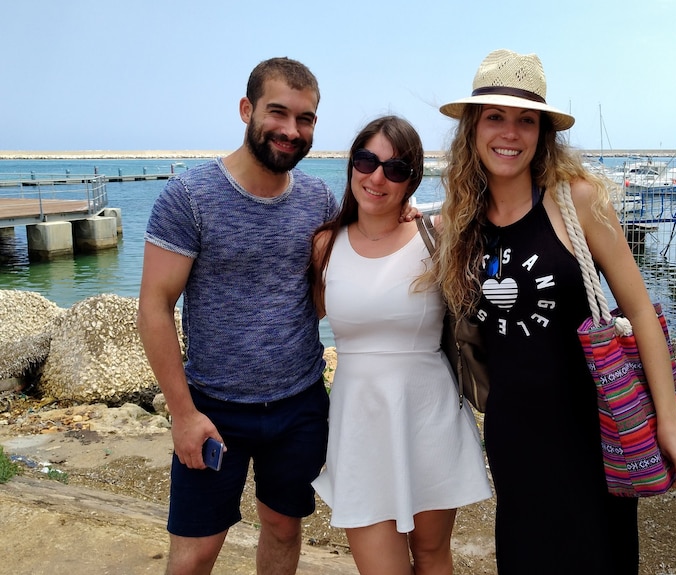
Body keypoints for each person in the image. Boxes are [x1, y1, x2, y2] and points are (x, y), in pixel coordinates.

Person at [434, 49, 676, 574]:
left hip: (591, 431)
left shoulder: (576, 202)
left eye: (526, 120)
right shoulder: (461, 221)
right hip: (513, 436)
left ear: (542, 134)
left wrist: (669, 420)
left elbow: (641, 313)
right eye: (495, 117)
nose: (509, 133)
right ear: (473, 128)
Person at [136, 57, 338, 575]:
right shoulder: (190, 197)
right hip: (213, 406)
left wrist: (402, 216)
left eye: (305, 118)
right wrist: (183, 414)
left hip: (299, 404)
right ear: (247, 109)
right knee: (196, 550)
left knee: (283, 527)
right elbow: (155, 307)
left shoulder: (318, 199)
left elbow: (351, 263)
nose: (291, 130)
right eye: (278, 112)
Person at [309, 115, 492, 575]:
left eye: (395, 169)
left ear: (412, 180)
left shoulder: (437, 236)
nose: (377, 178)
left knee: (432, 557)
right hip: (358, 424)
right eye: (366, 161)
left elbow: (494, 201)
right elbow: (301, 318)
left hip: (429, 416)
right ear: (351, 164)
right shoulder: (325, 244)